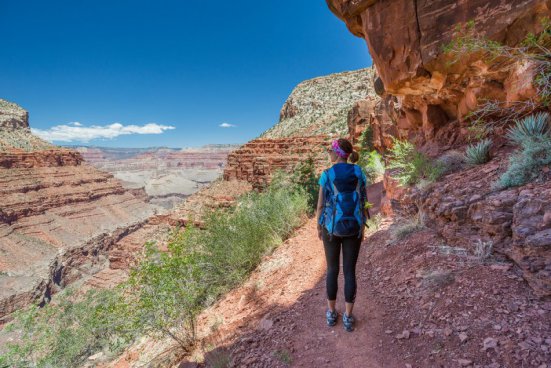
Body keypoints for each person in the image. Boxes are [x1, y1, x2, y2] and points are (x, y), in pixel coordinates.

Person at [316, 138, 368, 332]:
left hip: (331, 228)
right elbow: (363, 200)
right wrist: (362, 226)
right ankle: (347, 316)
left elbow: (321, 205)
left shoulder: (327, 174)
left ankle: (331, 313)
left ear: (337, 153)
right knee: (349, 271)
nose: (328, 153)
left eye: (330, 150)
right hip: (354, 227)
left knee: (332, 270)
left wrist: (318, 226)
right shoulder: (358, 171)